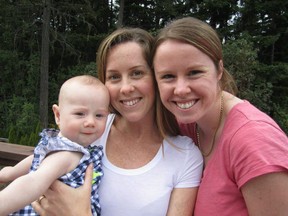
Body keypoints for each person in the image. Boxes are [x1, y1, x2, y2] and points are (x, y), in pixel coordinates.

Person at [31, 28, 203, 216]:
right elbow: (38, 187)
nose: (126, 88)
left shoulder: (184, 156)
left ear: (156, 76)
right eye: (114, 77)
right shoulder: (89, 131)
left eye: (137, 73)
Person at [152, 16, 288, 215]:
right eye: (168, 76)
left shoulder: (255, 142)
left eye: (194, 72)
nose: (180, 89)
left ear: (219, 70)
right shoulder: (184, 125)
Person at [0, 75, 110, 216]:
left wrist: (10, 173)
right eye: (80, 113)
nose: (91, 122)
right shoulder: (67, 154)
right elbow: (32, 182)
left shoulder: (68, 150)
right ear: (58, 115)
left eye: (99, 115)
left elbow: (38, 163)